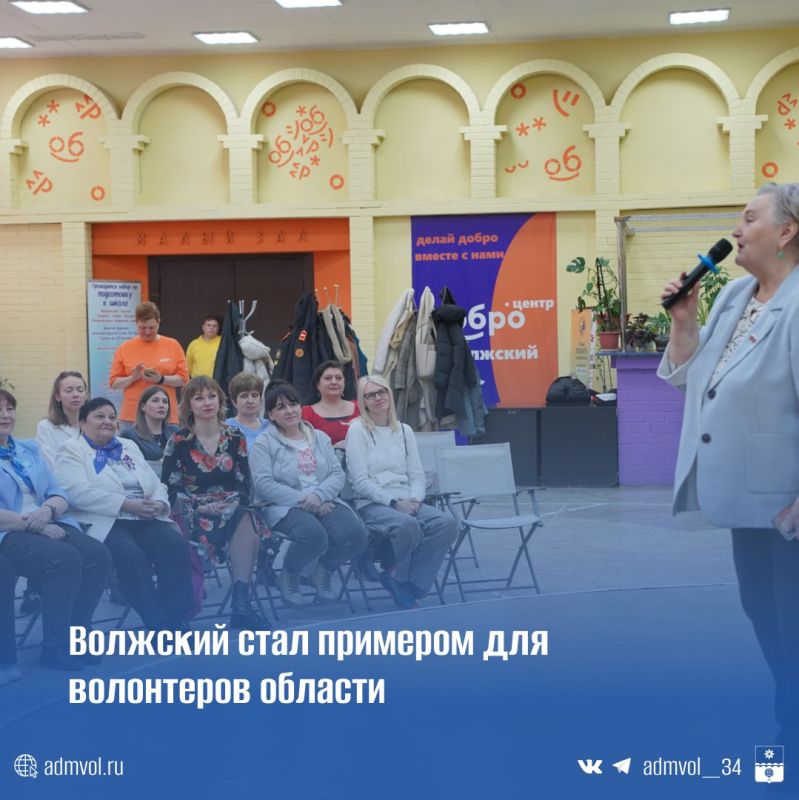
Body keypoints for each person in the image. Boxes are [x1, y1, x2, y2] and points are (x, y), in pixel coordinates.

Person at [658, 182, 799, 750]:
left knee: (792, 626)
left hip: (789, 503)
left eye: (749, 219)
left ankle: (790, 739)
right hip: (748, 498)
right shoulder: (736, 295)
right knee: (764, 616)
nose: (736, 231)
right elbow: (697, 380)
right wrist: (684, 322)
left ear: (787, 231)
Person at [55, 397, 194, 631]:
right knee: (131, 556)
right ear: (82, 423)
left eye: (111, 417)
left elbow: (155, 482)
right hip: (105, 520)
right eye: (99, 416)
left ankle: (176, 617)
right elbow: (76, 492)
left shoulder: (127, 446)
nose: (107, 421)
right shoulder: (72, 449)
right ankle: (157, 622)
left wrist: (159, 502)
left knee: (175, 545)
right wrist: (126, 504)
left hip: (144, 516)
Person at [0, 389, 111, 670]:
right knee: (63, 558)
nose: (5, 415)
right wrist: (34, 524)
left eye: (9, 409)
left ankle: (78, 638)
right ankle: (55, 647)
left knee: (97, 554)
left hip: (46, 519)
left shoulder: (26, 449)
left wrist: (47, 511)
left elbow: (59, 492)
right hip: (9, 531)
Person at [161, 377, 269, 630]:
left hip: (230, 507)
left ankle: (241, 605)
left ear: (220, 400)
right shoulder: (179, 441)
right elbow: (171, 488)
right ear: (189, 405)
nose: (207, 403)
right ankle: (235, 606)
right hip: (192, 510)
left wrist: (230, 504)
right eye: (199, 398)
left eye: (211, 396)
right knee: (247, 529)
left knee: (245, 516)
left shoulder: (234, 436)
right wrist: (199, 506)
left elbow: (243, 482)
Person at [251, 380, 367, 609]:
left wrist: (319, 496)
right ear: (271, 415)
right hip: (284, 506)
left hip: (324, 500)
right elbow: (264, 485)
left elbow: (337, 474)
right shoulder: (264, 443)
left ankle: (323, 570)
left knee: (356, 534)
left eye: (293, 404)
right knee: (314, 535)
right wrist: (307, 500)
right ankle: (289, 575)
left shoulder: (320, 437)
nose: (289, 411)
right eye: (280, 407)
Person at [345, 374, 457, 608]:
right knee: (408, 525)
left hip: (407, 498)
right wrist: (395, 503)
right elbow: (360, 482)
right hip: (372, 502)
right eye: (370, 395)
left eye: (382, 392)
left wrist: (414, 499)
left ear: (389, 394)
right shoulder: (357, 431)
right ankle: (404, 581)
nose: (378, 398)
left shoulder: (404, 430)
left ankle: (402, 578)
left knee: (446, 523)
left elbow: (417, 474)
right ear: (363, 401)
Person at [109, 301, 188, 427]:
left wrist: (161, 379)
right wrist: (133, 378)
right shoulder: (124, 348)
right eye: (142, 328)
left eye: (151, 328)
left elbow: (183, 380)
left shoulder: (173, 345)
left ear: (159, 322)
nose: (147, 332)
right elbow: (114, 383)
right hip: (133, 416)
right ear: (136, 323)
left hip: (165, 416)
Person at [35, 371, 87, 468]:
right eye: (69, 390)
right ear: (58, 396)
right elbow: (51, 463)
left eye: (80, 390)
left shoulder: (92, 426)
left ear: (86, 395)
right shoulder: (46, 427)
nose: (76, 395)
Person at [301, 360, 359, 447]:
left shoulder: (359, 407)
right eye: (328, 378)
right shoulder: (306, 413)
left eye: (339, 378)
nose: (334, 382)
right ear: (317, 384)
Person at [120, 385, 178, 463]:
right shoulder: (129, 435)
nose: (161, 405)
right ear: (143, 407)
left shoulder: (175, 432)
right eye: (155, 401)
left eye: (165, 402)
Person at [225, 372, 270, 451]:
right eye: (244, 396)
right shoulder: (226, 428)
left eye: (254, 395)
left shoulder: (270, 426)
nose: (250, 401)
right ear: (234, 401)